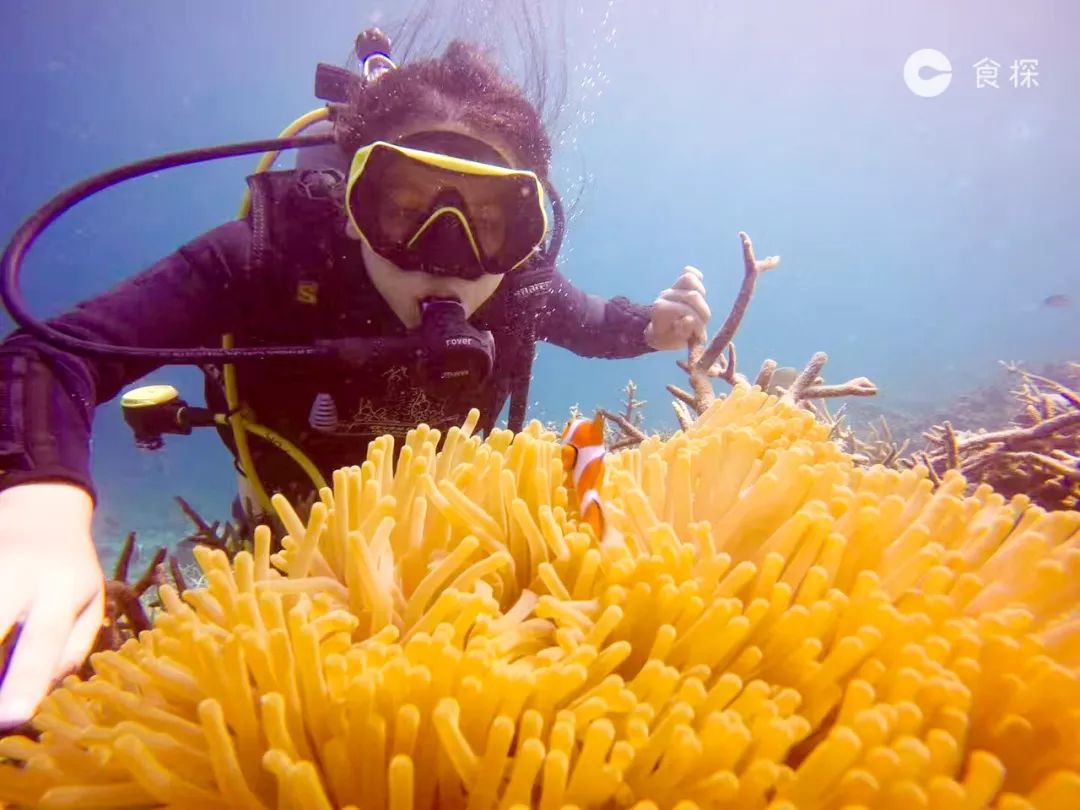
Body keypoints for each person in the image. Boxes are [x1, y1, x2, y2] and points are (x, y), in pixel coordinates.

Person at [0, 33, 711, 728]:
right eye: (405, 209)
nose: (445, 254)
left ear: (527, 235)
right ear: (348, 201)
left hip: (433, 547)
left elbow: (602, 325)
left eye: (490, 223)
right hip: (278, 525)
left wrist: (657, 326)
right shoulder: (265, 259)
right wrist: (39, 498)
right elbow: (47, 353)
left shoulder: (521, 289)